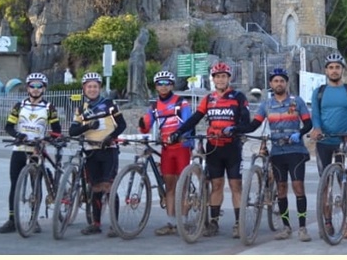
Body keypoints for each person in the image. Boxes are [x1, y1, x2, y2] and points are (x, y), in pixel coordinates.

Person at [169, 62, 250, 238]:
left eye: (223, 76)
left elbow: (246, 120)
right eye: (217, 76)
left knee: (235, 185)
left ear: (229, 78)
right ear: (213, 79)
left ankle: (238, 222)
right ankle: (214, 222)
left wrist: (236, 129)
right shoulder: (208, 99)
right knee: (216, 185)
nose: (220, 79)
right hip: (213, 147)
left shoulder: (238, 97)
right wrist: (179, 131)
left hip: (232, 147)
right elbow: (195, 118)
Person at [233, 67, 314, 242]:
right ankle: (286, 227)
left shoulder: (296, 101)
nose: (279, 84)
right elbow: (254, 125)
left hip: (296, 150)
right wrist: (236, 128)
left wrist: (299, 133)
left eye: (282, 81)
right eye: (276, 81)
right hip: (277, 152)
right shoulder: (266, 105)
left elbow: (308, 124)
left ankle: (302, 227)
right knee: (282, 189)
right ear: (271, 84)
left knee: (298, 186)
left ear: (287, 83)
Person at [309, 51, 347, 240]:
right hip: (324, 142)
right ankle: (327, 222)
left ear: (342, 70)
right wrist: (316, 128)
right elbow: (315, 115)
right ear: (326, 70)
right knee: (326, 184)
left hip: (343, 141)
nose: (334, 70)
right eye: (331, 67)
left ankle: (346, 223)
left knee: (345, 182)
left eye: (337, 67)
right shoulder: (319, 92)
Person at [0, 72, 62, 234]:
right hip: (19, 149)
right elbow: (8, 127)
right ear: (27, 88)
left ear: (44, 89)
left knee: (35, 186)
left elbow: (57, 131)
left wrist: (47, 139)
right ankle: (12, 220)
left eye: (39, 86)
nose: (35, 89)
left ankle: (34, 220)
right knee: (15, 185)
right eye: (32, 86)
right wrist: (18, 135)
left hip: (36, 151)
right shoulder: (19, 106)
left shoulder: (49, 108)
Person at [69, 72, 126, 236]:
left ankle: (114, 225)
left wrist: (111, 137)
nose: (92, 89)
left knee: (109, 187)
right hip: (90, 151)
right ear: (84, 89)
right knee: (95, 188)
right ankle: (96, 223)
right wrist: (88, 126)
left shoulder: (110, 104)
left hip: (108, 150)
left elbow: (121, 125)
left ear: (99, 88)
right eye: (89, 87)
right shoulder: (81, 109)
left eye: (95, 86)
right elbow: (73, 131)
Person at [138, 71, 192, 236]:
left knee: (181, 186)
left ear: (172, 85)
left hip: (182, 148)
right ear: (155, 86)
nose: (163, 86)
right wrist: (143, 124)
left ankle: (182, 222)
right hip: (167, 148)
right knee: (169, 186)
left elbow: (188, 124)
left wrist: (182, 138)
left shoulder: (182, 103)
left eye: (167, 83)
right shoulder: (154, 107)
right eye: (160, 83)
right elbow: (146, 125)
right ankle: (170, 222)